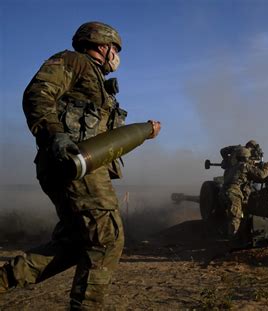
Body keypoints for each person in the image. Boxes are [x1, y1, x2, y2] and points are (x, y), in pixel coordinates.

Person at [0, 21, 161, 309]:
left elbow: (105, 137)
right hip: (73, 164)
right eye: (115, 49)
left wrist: (145, 132)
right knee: (107, 238)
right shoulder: (74, 61)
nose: (117, 56)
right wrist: (56, 135)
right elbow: (37, 94)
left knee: (74, 244)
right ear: (103, 45)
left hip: (77, 166)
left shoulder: (98, 82)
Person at [218, 147, 268, 238]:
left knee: (232, 214)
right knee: (236, 217)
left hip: (224, 192)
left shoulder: (231, 168)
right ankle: (233, 239)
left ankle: (227, 233)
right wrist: (267, 167)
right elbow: (261, 175)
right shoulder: (244, 166)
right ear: (246, 157)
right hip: (234, 193)